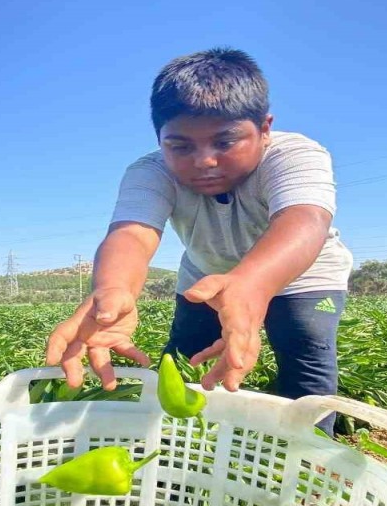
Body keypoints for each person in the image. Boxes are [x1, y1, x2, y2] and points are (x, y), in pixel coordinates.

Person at [44, 48, 353, 435]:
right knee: (182, 357)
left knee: (305, 356)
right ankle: (173, 438)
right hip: (205, 277)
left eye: (225, 142)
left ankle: (311, 458)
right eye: (181, 146)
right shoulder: (150, 172)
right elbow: (133, 233)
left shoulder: (296, 155)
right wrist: (114, 289)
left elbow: (304, 220)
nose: (204, 161)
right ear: (160, 139)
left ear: (265, 128)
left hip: (304, 277)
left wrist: (250, 285)